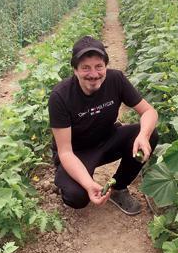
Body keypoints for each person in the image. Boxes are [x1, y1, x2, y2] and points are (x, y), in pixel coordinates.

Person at [47, 35, 158, 215]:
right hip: (76, 153)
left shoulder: (116, 79)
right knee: (76, 196)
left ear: (105, 66)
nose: (94, 74)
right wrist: (89, 184)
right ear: (75, 70)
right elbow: (65, 152)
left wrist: (143, 135)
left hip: (107, 141)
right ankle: (70, 182)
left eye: (99, 66)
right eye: (85, 68)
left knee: (150, 133)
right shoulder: (60, 97)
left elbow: (149, 112)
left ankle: (119, 188)